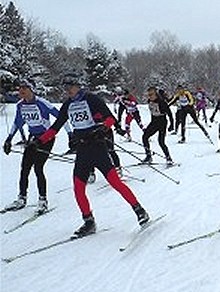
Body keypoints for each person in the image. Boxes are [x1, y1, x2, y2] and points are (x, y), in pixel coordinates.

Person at [36, 75, 150, 237]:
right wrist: (39, 141)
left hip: (97, 147)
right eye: (65, 87)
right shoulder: (68, 105)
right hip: (83, 150)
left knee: (115, 182)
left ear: (77, 86)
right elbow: (56, 126)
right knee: (78, 188)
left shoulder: (92, 99)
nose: (67, 90)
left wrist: (102, 129)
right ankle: (88, 221)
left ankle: (140, 211)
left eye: (70, 86)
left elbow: (111, 118)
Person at [2, 80, 71, 214]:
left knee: (38, 168)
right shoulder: (20, 105)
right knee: (24, 168)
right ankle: (21, 198)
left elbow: (61, 117)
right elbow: (17, 122)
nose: (21, 90)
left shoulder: (42, 103)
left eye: (24, 88)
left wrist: (70, 135)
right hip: (32, 139)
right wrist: (9, 139)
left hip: (46, 139)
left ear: (31, 89)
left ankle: (43, 200)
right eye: (19, 88)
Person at [141, 86, 174, 164]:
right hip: (154, 122)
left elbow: (169, 114)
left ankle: (168, 158)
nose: (149, 96)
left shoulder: (162, 102)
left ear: (156, 94)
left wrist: (172, 125)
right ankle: (148, 156)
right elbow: (152, 113)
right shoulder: (149, 101)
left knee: (161, 142)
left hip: (162, 122)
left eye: (151, 94)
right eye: (148, 95)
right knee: (144, 137)